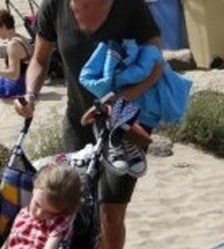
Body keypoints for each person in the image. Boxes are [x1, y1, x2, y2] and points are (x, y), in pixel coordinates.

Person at [16, 0, 163, 249]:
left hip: (124, 124)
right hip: (76, 121)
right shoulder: (55, 4)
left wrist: (123, 96)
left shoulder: (129, 5)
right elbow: (39, 60)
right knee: (74, 210)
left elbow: (156, 63)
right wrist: (28, 93)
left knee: (111, 210)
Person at [78, 38, 191, 176]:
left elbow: (156, 61)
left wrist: (133, 91)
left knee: (119, 189)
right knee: (81, 178)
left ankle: (119, 132)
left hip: (134, 97)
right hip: (87, 85)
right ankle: (113, 130)